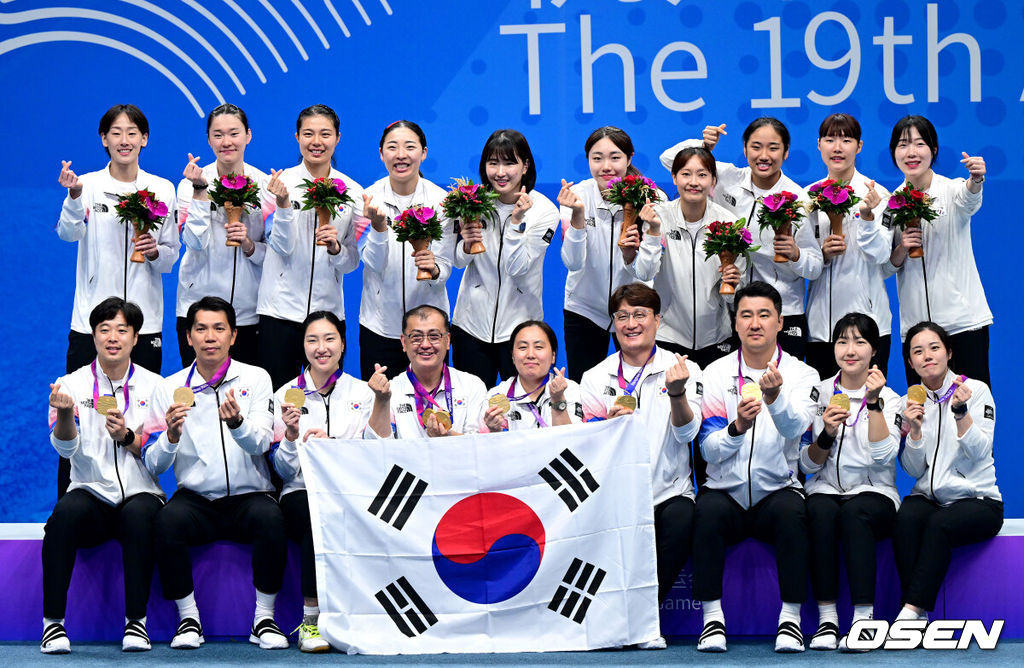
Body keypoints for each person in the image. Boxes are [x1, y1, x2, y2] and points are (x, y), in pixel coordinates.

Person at [145, 297, 287, 650]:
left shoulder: (256, 378)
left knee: (272, 519)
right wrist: (171, 437)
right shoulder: (169, 388)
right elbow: (153, 464)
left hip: (250, 495)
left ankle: (264, 618)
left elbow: (262, 443)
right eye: (201, 329)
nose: (211, 337)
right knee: (166, 522)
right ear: (189, 337)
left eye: (219, 328)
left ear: (234, 336)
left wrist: (237, 423)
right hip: (197, 500)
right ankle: (188, 618)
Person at [56, 103, 179, 498]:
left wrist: (156, 250)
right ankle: (71, 506)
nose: (124, 140)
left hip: (146, 327)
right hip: (89, 325)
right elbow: (68, 234)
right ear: (104, 140)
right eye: (116, 132)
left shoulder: (162, 189)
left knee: (141, 423)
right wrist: (74, 196)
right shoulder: (87, 184)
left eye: (132, 132)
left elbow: (171, 258)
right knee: (74, 418)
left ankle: (142, 503)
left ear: (144, 139)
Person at [694, 281, 819, 653]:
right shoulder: (714, 374)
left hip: (777, 490)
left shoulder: (801, 375)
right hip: (726, 492)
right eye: (746, 315)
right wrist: (737, 428)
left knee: (794, 512)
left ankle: (791, 620)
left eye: (764, 315)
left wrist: (775, 399)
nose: (755, 323)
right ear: (735, 325)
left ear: (780, 322)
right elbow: (708, 450)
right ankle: (712, 619)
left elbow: (797, 428)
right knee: (706, 511)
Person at [579, 283, 703, 649]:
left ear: (657, 320)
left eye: (639, 315)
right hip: (616, 492)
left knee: (683, 517)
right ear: (613, 323)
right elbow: (587, 447)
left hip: (668, 491)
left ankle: (639, 620)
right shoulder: (595, 377)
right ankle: (626, 622)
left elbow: (688, 435)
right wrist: (609, 427)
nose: (631, 323)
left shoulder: (682, 368)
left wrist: (677, 393)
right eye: (622, 316)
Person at [42, 298, 164, 654]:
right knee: (63, 515)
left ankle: (136, 624)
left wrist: (127, 437)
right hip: (91, 491)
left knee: (140, 516)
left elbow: (158, 459)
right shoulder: (69, 385)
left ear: (135, 338)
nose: (113, 337)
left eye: (122, 330)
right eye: (104, 330)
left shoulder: (156, 386)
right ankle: (53, 625)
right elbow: (65, 451)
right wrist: (66, 416)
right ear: (93, 336)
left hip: (141, 491)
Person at [660, 119, 821, 359]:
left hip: (783, 310)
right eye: (756, 147)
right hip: (736, 307)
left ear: (786, 152)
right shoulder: (728, 178)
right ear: (745, 149)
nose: (764, 155)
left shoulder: (797, 198)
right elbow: (672, 161)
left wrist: (796, 254)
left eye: (773, 148)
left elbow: (815, 266)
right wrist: (702, 145)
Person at [799, 313, 902, 651]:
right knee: (818, 511)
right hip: (826, 487)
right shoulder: (819, 392)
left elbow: (884, 457)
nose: (850, 349)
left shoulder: (891, 397)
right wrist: (826, 434)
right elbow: (806, 463)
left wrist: (873, 404)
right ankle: (828, 620)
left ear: (874, 350)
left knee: (854, 514)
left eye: (860, 341)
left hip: (876, 492)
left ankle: (863, 620)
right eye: (842, 341)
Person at [272, 311, 373, 652]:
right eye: (312, 340)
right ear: (303, 347)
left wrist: (334, 449)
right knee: (316, 517)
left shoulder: (363, 393)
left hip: (349, 490)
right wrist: (289, 435)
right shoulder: (285, 395)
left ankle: (364, 617)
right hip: (300, 492)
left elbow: (372, 456)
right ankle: (311, 621)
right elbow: (284, 472)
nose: (321, 348)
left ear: (343, 345)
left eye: (329, 339)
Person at [893, 321, 1002, 636]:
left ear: (949, 352)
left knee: (939, 525)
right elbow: (913, 471)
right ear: (911, 362)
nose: (927, 356)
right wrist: (913, 432)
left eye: (934, 348)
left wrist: (961, 413)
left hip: (978, 501)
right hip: (932, 498)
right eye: (917, 351)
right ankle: (917, 616)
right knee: (906, 519)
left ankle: (910, 612)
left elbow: (982, 453)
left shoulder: (976, 390)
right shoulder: (908, 402)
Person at [256, 104, 364, 388]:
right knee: (279, 399)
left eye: (325, 134)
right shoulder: (278, 185)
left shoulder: (352, 192)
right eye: (308, 134)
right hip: (279, 312)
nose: (317, 142)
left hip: (328, 316)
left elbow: (352, 262)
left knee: (327, 399)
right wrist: (282, 206)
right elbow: (279, 247)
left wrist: (336, 249)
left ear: (338, 138)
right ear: (297, 137)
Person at [885, 115, 991, 387]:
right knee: (924, 416)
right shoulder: (891, 205)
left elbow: (969, 200)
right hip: (917, 332)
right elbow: (886, 267)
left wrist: (976, 180)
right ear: (893, 152)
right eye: (902, 145)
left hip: (962, 324)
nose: (911, 152)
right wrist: (901, 249)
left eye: (919, 144)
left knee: (972, 408)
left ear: (933, 150)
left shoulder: (952, 189)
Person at [176, 103, 285, 366]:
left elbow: (277, 253)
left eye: (234, 133)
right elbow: (193, 242)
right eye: (218, 134)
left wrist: (249, 245)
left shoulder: (265, 187)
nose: (227, 142)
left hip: (249, 314)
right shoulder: (189, 185)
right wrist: (200, 191)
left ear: (248, 135)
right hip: (199, 312)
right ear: (208, 139)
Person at [451, 130, 560, 387]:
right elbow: (457, 262)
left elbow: (517, 267)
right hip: (470, 326)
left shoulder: (544, 211)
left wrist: (516, 223)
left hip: (520, 331)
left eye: (509, 162)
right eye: (493, 163)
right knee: (473, 414)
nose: (500, 172)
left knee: (521, 414)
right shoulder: (471, 202)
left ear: (525, 166)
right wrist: (466, 245)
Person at [559, 126, 666, 382]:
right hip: (583, 309)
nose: (606, 166)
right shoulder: (577, 198)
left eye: (615, 157)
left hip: (634, 311)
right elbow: (573, 263)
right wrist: (577, 217)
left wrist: (633, 255)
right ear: (588, 161)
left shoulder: (653, 199)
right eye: (597, 158)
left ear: (629, 158)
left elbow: (648, 272)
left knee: (640, 389)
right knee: (583, 389)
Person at [633, 146, 740, 369]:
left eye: (702, 174)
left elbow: (733, 297)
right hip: (667, 336)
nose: (694, 182)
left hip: (717, 338)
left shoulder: (728, 223)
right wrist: (653, 232)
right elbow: (644, 272)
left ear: (713, 180)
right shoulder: (659, 217)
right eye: (685, 174)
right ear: (673, 177)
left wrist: (733, 283)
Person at [359, 121, 452, 380]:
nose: (401, 155)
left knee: (434, 409)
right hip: (379, 327)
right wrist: (378, 228)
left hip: (429, 330)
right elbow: (372, 264)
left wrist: (434, 269)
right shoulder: (365, 200)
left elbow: (446, 264)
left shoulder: (441, 202)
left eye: (410, 147)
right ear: (381, 153)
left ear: (423, 152)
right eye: (392, 147)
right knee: (380, 405)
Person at [804, 114, 894, 378]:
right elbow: (803, 263)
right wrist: (821, 255)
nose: (838, 147)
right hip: (820, 329)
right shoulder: (807, 198)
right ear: (819, 144)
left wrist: (867, 216)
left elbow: (881, 254)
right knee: (824, 412)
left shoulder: (877, 196)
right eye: (830, 139)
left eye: (846, 139)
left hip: (868, 326)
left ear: (860, 146)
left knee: (869, 408)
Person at [366, 305, 486, 439]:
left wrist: (447, 436)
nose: (425, 344)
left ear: (447, 341)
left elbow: (479, 445)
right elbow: (376, 447)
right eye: (416, 337)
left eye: (434, 336)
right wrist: (382, 401)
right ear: (404, 342)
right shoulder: (389, 392)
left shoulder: (472, 386)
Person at [480, 320, 583, 432]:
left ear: (553, 356)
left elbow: (570, 441)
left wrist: (558, 399)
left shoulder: (571, 390)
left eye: (538, 347)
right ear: (513, 357)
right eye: (523, 347)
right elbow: (489, 447)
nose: (530, 355)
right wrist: (494, 430)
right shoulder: (497, 395)